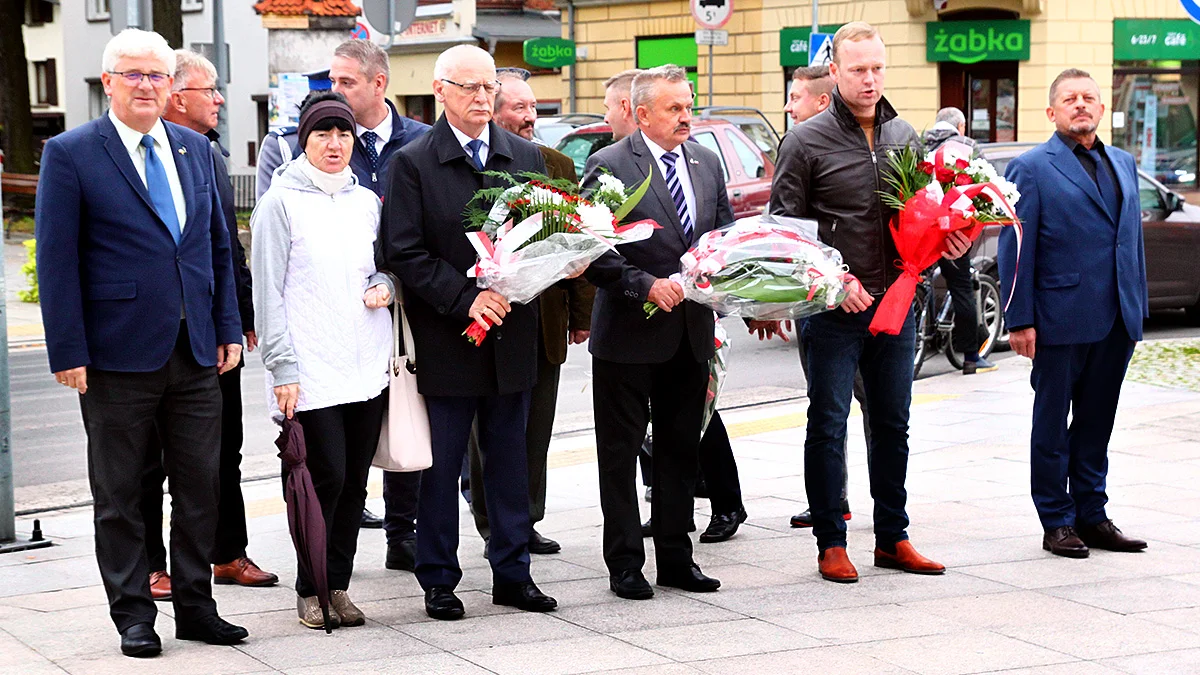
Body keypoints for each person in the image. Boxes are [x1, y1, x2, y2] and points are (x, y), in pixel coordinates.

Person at [35, 29, 248, 657]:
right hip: (112, 353)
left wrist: (228, 327)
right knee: (122, 491)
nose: (148, 86)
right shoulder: (72, 153)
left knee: (200, 484)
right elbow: (56, 260)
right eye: (133, 75)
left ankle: (195, 606)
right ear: (108, 82)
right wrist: (67, 350)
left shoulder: (195, 149)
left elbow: (215, 247)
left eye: (158, 76)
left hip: (196, 350)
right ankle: (133, 615)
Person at [769, 22, 971, 583]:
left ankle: (892, 537)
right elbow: (787, 233)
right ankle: (831, 541)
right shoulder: (805, 140)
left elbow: (916, 218)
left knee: (893, 424)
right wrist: (836, 283)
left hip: (898, 304)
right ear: (834, 71)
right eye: (858, 69)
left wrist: (947, 244)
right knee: (828, 424)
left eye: (878, 68)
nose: (870, 79)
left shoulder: (904, 135)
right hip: (835, 310)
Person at [380, 44, 557, 621]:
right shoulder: (412, 162)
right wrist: (466, 299)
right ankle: (439, 578)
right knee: (442, 466)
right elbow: (402, 252)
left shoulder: (524, 155)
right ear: (440, 90)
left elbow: (543, 237)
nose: (483, 98)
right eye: (470, 88)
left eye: (489, 89)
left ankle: (512, 572)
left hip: (512, 334)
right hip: (448, 340)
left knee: (509, 462)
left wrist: (558, 264)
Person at [582, 65, 732, 600]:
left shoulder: (707, 163)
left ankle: (675, 557)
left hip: (691, 329)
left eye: (688, 105)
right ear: (642, 114)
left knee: (679, 450)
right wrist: (641, 284)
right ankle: (624, 562)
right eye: (673, 108)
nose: (685, 115)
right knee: (620, 454)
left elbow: (724, 238)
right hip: (628, 334)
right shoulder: (609, 165)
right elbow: (591, 248)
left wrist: (727, 283)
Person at [252, 91, 394, 629]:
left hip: (365, 362)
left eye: (343, 135)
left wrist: (384, 284)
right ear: (304, 141)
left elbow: (384, 265)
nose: (335, 145)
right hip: (309, 368)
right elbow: (267, 294)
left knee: (355, 483)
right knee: (323, 478)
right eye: (322, 135)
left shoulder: (365, 201)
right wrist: (282, 368)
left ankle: (339, 585)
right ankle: (309, 587)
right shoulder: (280, 203)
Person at [138, 49, 277, 599]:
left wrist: (239, 317)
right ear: (176, 96)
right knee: (149, 460)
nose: (220, 99)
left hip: (210, 331)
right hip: (147, 335)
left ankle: (227, 553)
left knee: (224, 448)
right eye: (209, 89)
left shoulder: (207, 155)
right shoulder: (129, 154)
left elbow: (227, 247)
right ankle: (152, 564)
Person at [998, 69, 1149, 559]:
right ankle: (1057, 520)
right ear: (1052, 112)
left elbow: (1130, 243)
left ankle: (1093, 513)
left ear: (1102, 109)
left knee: (1097, 422)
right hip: (1059, 317)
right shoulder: (1032, 166)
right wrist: (1019, 320)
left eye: (1088, 97)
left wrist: (1138, 305)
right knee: (1051, 423)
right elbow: (1015, 247)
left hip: (1116, 318)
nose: (1080, 104)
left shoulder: (1124, 163)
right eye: (1069, 98)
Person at [467, 68, 595, 557]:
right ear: (494, 112)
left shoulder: (559, 164)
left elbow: (582, 245)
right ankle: (490, 524)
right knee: (490, 433)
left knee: (536, 428)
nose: (528, 116)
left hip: (545, 324)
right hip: (491, 319)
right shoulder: (480, 166)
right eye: (517, 107)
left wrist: (582, 315)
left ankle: (527, 520)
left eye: (532, 107)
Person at [780, 64, 863, 530]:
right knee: (829, 412)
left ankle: (866, 506)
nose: (789, 105)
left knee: (873, 414)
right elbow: (788, 226)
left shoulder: (868, 142)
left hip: (863, 301)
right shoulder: (801, 146)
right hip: (822, 303)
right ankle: (835, 498)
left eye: (796, 96)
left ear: (823, 101)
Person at [922, 106, 997, 375]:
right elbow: (984, 183)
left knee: (917, 281)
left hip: (922, 228)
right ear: (961, 126)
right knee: (962, 289)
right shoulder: (966, 145)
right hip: (952, 232)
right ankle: (970, 357)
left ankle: (917, 338)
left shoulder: (920, 143)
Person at [603, 69, 642, 142]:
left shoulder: (610, 153)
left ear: (625, 107)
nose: (606, 119)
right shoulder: (666, 148)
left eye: (608, 108)